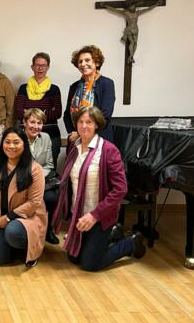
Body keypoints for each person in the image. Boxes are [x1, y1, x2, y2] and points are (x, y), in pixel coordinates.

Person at [53, 106, 146, 271]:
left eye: (89, 122)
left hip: (99, 216)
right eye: (80, 122)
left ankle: (131, 243)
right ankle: (114, 234)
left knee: (90, 264)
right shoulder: (74, 148)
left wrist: (94, 215)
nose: (84, 126)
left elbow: (120, 189)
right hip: (79, 215)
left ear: (96, 124)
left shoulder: (108, 150)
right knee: (74, 257)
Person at [0, 126, 47, 268]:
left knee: (12, 231)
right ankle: (14, 247)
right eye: (7, 142)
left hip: (26, 219)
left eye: (16, 142)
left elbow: (34, 202)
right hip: (1, 221)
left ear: (24, 144)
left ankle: (28, 249)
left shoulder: (35, 169)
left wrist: (8, 217)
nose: (11, 146)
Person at [14, 52, 62, 164]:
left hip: (51, 135)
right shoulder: (23, 88)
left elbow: (57, 113)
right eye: (37, 65)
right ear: (32, 67)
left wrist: (29, 112)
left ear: (48, 67)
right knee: (25, 168)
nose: (40, 68)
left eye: (43, 65)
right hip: (25, 136)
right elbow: (18, 112)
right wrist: (45, 111)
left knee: (49, 168)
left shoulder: (54, 89)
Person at [64, 45, 115, 143]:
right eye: (80, 61)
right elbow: (67, 115)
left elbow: (105, 115)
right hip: (76, 141)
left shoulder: (106, 84)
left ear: (97, 62)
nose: (83, 64)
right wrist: (74, 133)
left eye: (87, 60)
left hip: (99, 139)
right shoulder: (74, 87)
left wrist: (80, 133)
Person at [22, 108, 59, 244]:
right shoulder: (17, 138)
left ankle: (48, 229)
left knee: (52, 198)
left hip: (40, 181)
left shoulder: (46, 138)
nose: (36, 126)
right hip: (21, 182)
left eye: (39, 123)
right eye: (32, 122)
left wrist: (37, 178)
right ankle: (26, 231)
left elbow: (49, 164)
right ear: (24, 122)